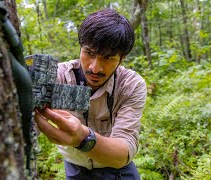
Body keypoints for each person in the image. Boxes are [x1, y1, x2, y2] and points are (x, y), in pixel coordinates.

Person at [35, 8, 146, 179]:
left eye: (108, 58)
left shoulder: (130, 85)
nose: (95, 68)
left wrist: (82, 138)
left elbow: (124, 151)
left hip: (118, 170)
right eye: (89, 53)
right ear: (80, 48)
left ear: (122, 58)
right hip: (75, 168)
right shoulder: (56, 76)